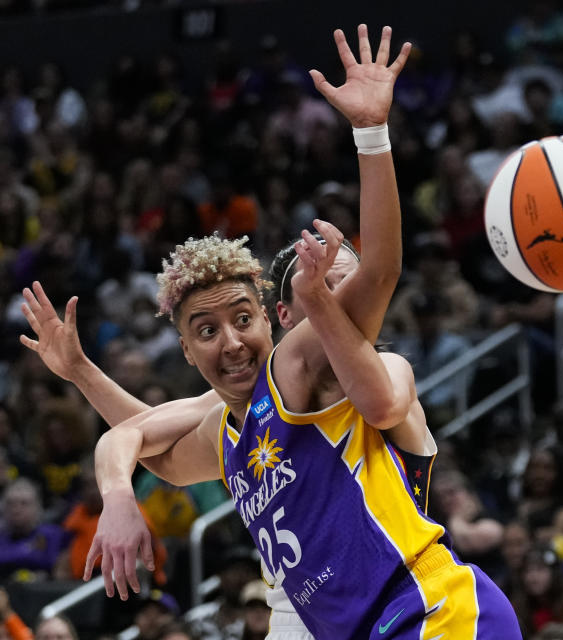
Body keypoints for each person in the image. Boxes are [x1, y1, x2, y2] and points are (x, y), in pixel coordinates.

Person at [81, 25, 521, 640]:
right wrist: (118, 496)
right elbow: (136, 441)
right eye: (208, 330)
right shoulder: (230, 429)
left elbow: (383, 269)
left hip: (428, 609)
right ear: (185, 348)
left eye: (241, 320)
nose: (232, 342)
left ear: (272, 320)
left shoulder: (297, 366)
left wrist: (371, 134)